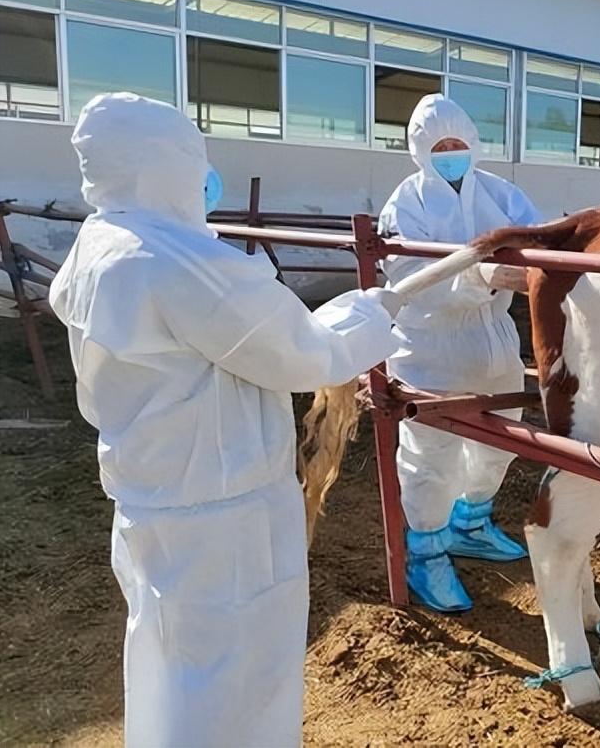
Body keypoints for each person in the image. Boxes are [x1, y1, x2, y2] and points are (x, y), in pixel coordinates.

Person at [49, 92, 403, 747]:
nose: (202, 175)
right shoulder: (179, 261)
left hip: (151, 498)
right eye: (191, 157)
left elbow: (251, 339)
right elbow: (302, 355)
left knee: (169, 665)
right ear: (156, 163)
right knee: (233, 684)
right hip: (225, 517)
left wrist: (336, 320)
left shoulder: (99, 244)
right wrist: (369, 314)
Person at [378, 94, 543, 613]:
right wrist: (480, 275)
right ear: (420, 151)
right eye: (438, 146)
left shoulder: (501, 193)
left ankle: (471, 522)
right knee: (431, 454)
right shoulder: (406, 202)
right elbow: (409, 279)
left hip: (494, 340)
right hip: (431, 346)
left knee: (500, 438)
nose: (450, 152)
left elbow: (534, 242)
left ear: (472, 143)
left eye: (457, 143)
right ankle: (425, 554)